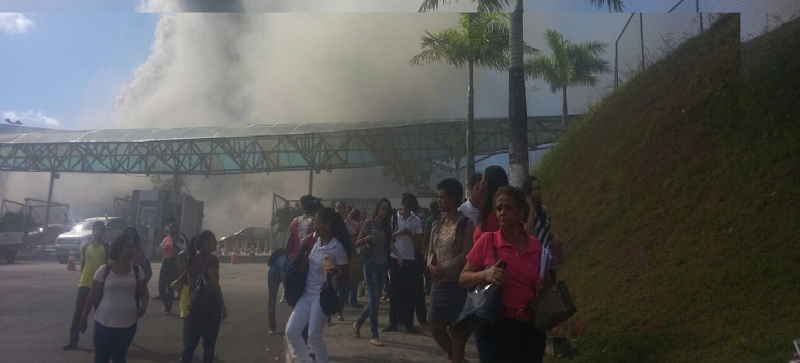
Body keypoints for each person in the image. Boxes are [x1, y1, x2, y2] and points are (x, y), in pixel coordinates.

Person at [460, 186, 548, 363]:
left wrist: (543, 285)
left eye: (508, 208)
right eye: (499, 208)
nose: (502, 212)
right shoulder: (488, 240)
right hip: (495, 326)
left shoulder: (535, 246)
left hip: (529, 327)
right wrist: (485, 274)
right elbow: (463, 277)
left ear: (521, 213)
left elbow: (540, 281)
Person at [285, 207, 350, 363]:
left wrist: (335, 270)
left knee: (314, 335)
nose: (315, 226)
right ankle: (306, 360)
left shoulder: (337, 247)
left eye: (318, 223)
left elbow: (345, 273)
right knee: (292, 331)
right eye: (314, 222)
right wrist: (303, 245)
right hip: (306, 294)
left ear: (328, 225)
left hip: (321, 296)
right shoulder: (314, 239)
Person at [78, 233, 149, 363]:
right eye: (128, 247)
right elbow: (92, 296)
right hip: (103, 323)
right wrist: (83, 319)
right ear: (119, 249)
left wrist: (143, 306)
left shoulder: (137, 271)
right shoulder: (104, 271)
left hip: (127, 324)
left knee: (119, 357)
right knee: (101, 358)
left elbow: (144, 292)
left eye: (133, 247)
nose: (131, 250)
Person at [427, 178, 475, 363]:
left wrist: (445, 268)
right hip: (439, 282)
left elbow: (467, 252)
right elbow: (430, 250)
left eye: (442, 197)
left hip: (458, 283)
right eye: (438, 197)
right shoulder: (437, 225)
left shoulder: (465, 224)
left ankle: (457, 359)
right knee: (435, 326)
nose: (439, 201)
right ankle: (458, 359)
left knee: (457, 328)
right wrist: (432, 266)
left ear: (453, 198)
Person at [269, 195, 321, 333]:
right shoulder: (317, 223)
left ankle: (295, 330)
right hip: (311, 266)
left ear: (303, 207)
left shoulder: (294, 222)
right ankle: (306, 332)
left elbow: (287, 247)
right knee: (310, 298)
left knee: (296, 298)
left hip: (294, 265)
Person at [353, 198, 398, 346]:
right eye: (383, 208)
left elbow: (390, 243)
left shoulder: (387, 226)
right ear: (377, 209)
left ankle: (358, 324)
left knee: (375, 301)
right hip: (370, 263)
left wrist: (399, 256)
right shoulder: (368, 224)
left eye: (387, 209)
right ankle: (374, 334)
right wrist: (367, 238)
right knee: (374, 300)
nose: (384, 211)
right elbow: (357, 243)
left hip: (382, 265)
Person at [180, 230, 228, 363]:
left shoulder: (192, 259)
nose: (216, 242)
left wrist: (194, 303)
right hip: (210, 308)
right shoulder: (212, 259)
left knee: (191, 343)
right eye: (213, 240)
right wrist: (223, 307)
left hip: (196, 307)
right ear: (206, 243)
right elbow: (214, 284)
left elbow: (190, 287)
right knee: (209, 345)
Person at [63, 221, 108, 351]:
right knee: (78, 313)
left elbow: (108, 267)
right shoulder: (84, 247)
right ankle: (73, 340)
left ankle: (103, 342)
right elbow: (83, 265)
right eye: (96, 229)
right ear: (93, 231)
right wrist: (82, 278)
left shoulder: (106, 248)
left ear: (103, 232)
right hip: (85, 284)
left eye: (101, 230)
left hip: (100, 285)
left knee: (101, 314)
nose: (98, 232)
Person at [384, 194, 425, 334]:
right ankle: (393, 321)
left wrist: (410, 234)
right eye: (404, 208)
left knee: (409, 292)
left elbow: (420, 241)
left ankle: (408, 323)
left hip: (410, 258)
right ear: (401, 206)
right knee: (394, 291)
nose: (406, 212)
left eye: (409, 209)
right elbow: (387, 237)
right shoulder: (393, 218)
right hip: (395, 257)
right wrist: (399, 233)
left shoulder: (416, 220)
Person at [157, 223, 186, 315]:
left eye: (173, 228)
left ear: (176, 230)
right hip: (165, 262)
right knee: (161, 286)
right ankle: (166, 304)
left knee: (170, 287)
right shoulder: (166, 239)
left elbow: (184, 249)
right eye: (170, 228)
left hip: (174, 263)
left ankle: (168, 308)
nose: (171, 229)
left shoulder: (179, 239)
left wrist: (176, 246)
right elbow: (160, 249)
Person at [344, 209, 364, 308]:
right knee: (354, 278)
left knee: (349, 278)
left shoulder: (345, 224)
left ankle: (345, 299)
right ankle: (352, 300)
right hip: (355, 253)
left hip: (347, 253)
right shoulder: (357, 226)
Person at [422, 201, 441, 295]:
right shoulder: (442, 218)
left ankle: (428, 286)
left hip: (430, 246)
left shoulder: (429, 220)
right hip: (439, 246)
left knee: (427, 266)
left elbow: (426, 235)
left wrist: (423, 247)